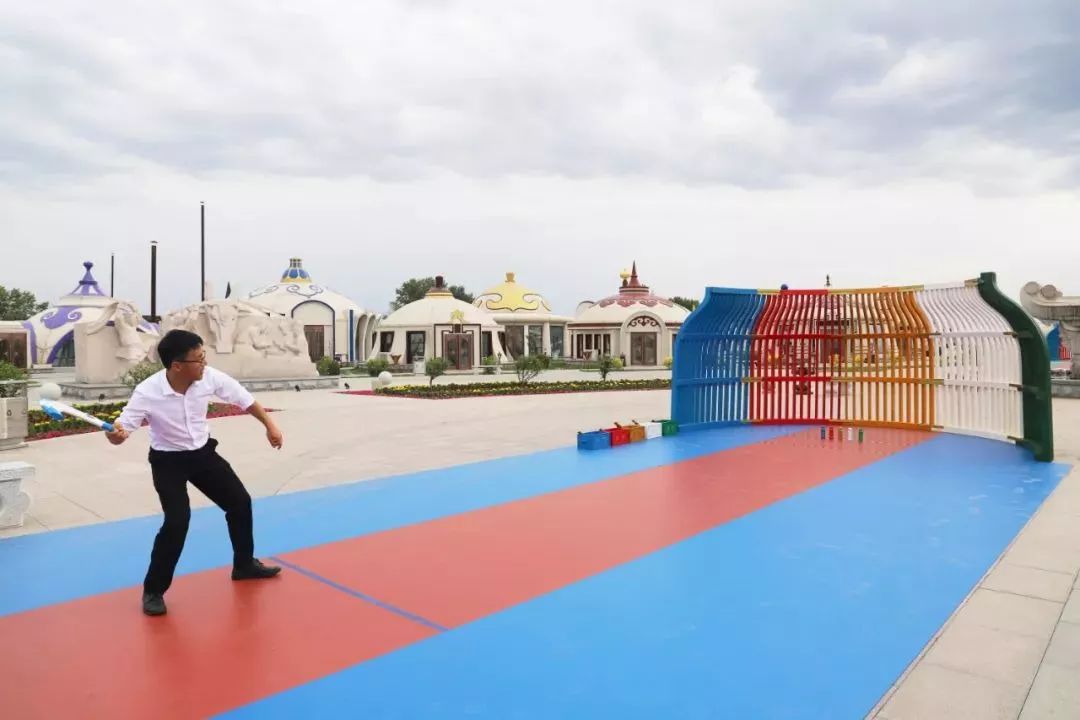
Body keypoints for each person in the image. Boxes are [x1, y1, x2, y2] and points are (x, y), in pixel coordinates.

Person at [106, 329, 284, 616]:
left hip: (202, 455)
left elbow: (244, 399)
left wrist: (270, 426)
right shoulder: (148, 392)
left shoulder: (208, 377)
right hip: (167, 461)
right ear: (177, 366)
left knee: (240, 503)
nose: (204, 363)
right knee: (177, 522)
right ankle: (153, 590)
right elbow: (123, 429)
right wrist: (115, 435)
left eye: (204, 357)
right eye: (198, 359)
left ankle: (244, 564)